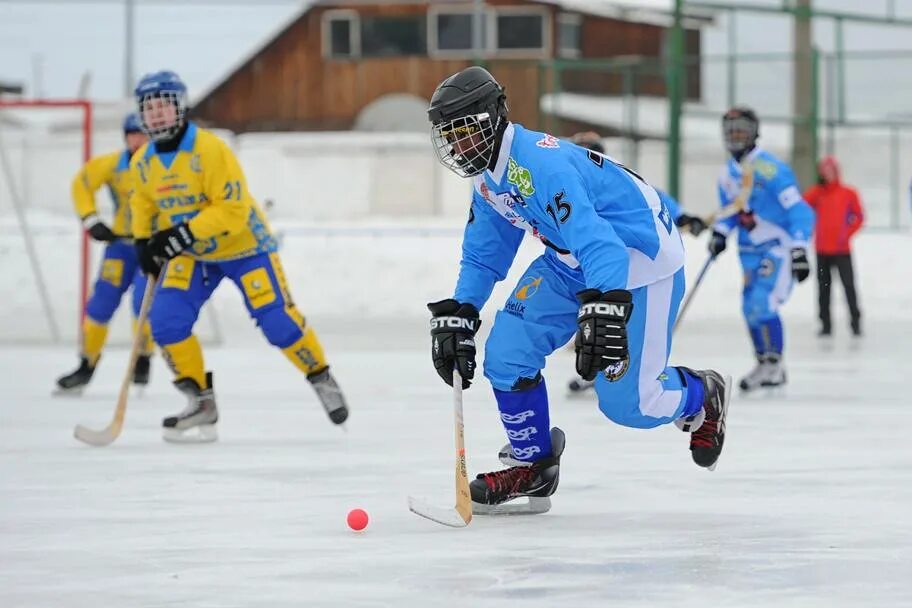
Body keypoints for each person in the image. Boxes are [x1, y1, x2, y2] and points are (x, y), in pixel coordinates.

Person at [425, 66, 731, 512]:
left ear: (492, 119)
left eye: (464, 132)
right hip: (571, 261)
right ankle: (533, 466)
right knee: (507, 354)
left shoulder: (540, 165)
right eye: (448, 136)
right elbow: (484, 255)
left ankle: (703, 392)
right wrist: (462, 310)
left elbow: (600, 242)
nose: (456, 145)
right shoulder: (488, 177)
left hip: (639, 264)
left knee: (630, 405)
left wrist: (604, 306)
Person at [129, 70, 348, 442]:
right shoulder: (143, 163)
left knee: (277, 322)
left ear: (180, 108)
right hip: (194, 254)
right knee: (164, 320)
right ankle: (200, 401)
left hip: (244, 246)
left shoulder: (211, 150)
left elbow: (231, 210)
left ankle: (320, 376)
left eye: (164, 105)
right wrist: (143, 244)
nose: (157, 115)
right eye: (150, 109)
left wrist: (179, 234)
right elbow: (143, 204)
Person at [566, 131, 708, 394]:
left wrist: (683, 216)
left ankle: (625, 367)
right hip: (592, 261)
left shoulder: (613, 177)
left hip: (628, 260)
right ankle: (596, 365)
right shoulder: (567, 182)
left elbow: (652, 197)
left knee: (619, 314)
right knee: (592, 310)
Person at [708, 107, 815, 391]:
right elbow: (730, 210)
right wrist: (720, 233)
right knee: (749, 308)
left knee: (761, 301)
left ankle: (774, 365)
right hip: (748, 251)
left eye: (742, 128)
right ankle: (763, 362)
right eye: (730, 130)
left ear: (755, 132)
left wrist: (800, 248)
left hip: (776, 247)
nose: (736, 135)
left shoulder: (769, 168)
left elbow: (799, 210)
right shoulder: (727, 173)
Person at [55, 113, 153, 393]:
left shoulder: (161, 165)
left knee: (142, 303)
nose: (138, 140)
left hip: (152, 246)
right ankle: (86, 365)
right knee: (100, 304)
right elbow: (82, 183)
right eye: (133, 134)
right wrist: (91, 219)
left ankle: (143, 356)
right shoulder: (113, 164)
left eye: (144, 134)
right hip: (121, 245)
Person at [803, 155, 863, 337]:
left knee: (849, 287)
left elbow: (859, 217)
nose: (826, 174)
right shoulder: (817, 193)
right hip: (822, 251)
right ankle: (825, 324)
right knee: (823, 288)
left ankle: (855, 322)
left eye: (830, 170)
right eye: (823, 170)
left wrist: (846, 234)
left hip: (842, 251)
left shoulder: (848, 193)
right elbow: (800, 207)